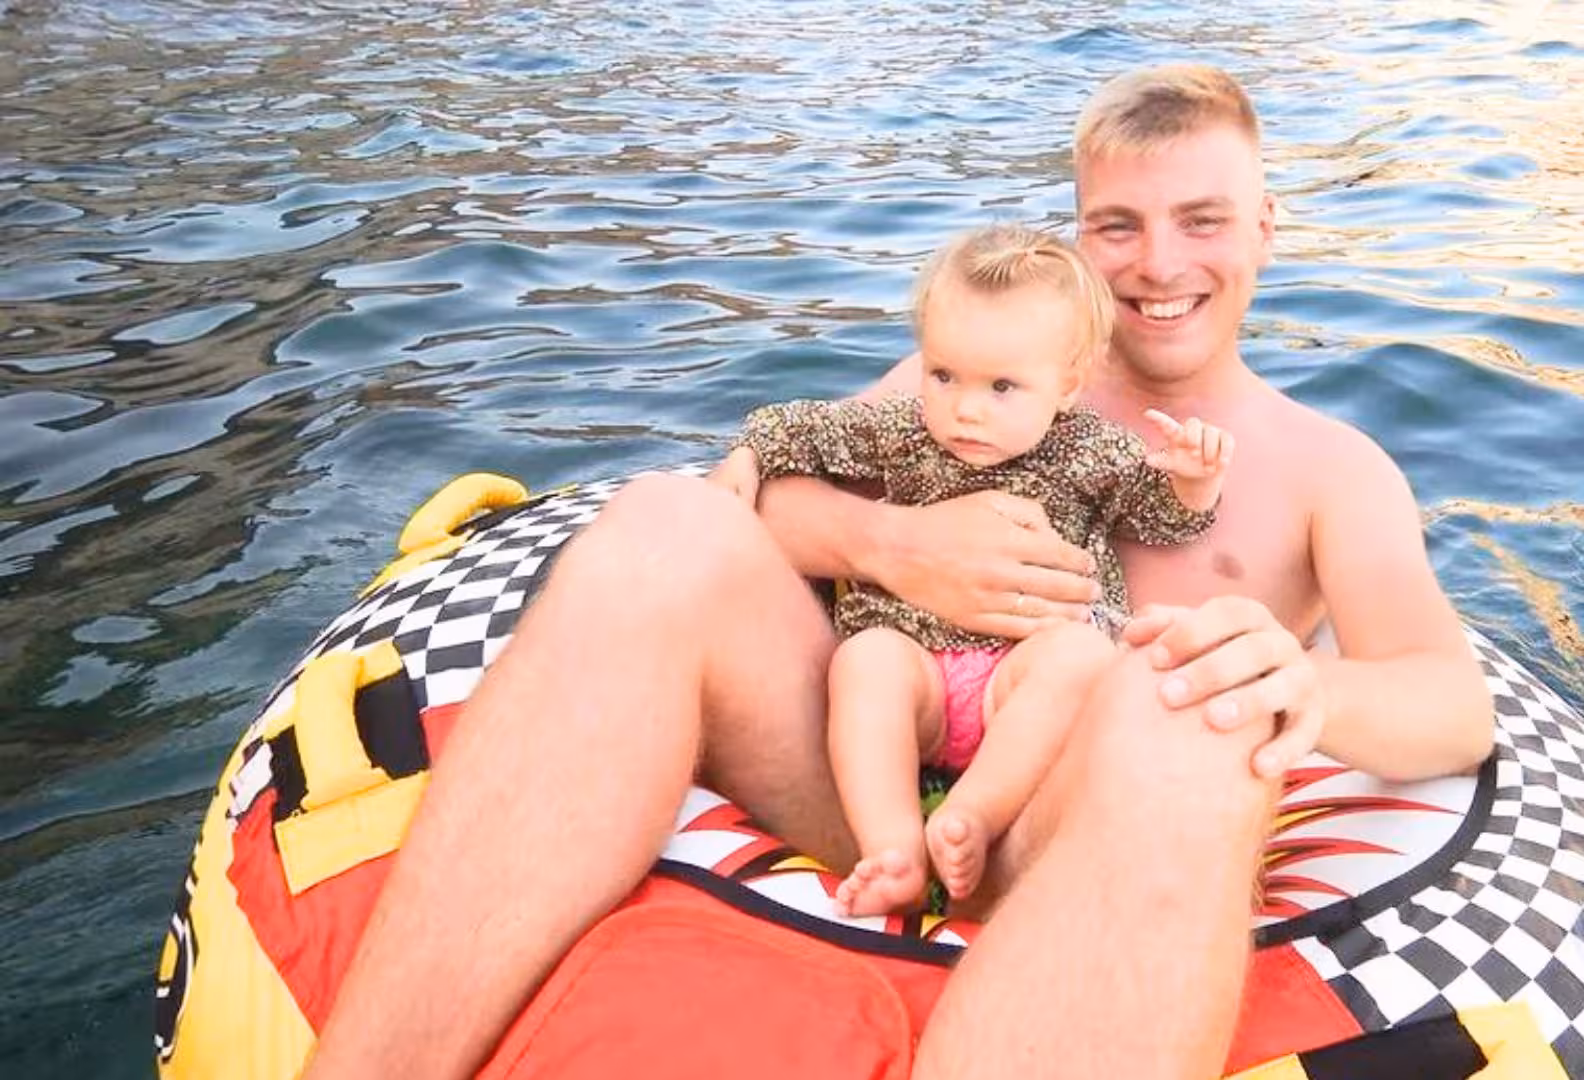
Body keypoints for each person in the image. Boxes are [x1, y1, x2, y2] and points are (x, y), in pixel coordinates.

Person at [304, 63, 1493, 1080]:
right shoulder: (984, 382)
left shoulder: (1333, 470)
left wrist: (1305, 684)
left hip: (1078, 828)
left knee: (1196, 709)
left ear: (1267, 228)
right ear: (1078, 241)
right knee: (660, 523)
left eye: (1203, 219)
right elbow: (750, 484)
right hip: (875, 777)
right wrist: (890, 545)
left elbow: (1454, 702)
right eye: (1117, 225)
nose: (1157, 262)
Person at [710, 223, 1234, 914]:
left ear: (1068, 383)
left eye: (1002, 387)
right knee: (865, 661)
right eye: (944, 374)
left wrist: (1193, 484)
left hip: (1017, 677)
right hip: (918, 667)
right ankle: (891, 844)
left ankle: (976, 818)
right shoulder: (903, 431)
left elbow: (1160, 516)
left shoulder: (1094, 451)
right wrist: (748, 454)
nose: (964, 408)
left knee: (1078, 657)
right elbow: (805, 428)